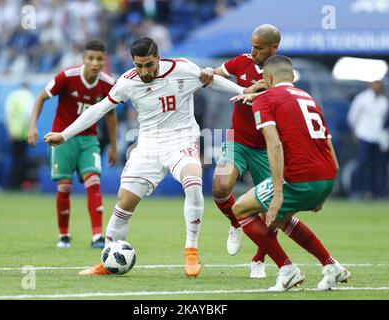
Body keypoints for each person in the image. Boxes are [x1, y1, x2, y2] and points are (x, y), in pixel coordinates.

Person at [44, 37, 251, 277]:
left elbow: (212, 80)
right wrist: (65, 134)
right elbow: (98, 110)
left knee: (193, 182)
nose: (144, 71)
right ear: (133, 62)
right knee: (124, 203)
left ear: (159, 57)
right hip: (148, 146)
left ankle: (191, 251)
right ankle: (110, 260)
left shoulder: (182, 68)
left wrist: (245, 92)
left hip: (182, 140)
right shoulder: (127, 82)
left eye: (149, 65)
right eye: (139, 65)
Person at [230, 55, 350, 291]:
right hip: (326, 178)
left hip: (301, 178)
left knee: (240, 209)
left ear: (267, 78)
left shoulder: (265, 101)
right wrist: (324, 192)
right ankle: (331, 266)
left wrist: (277, 193)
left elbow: (274, 145)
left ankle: (287, 270)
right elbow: (328, 144)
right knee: (281, 218)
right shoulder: (308, 98)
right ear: (293, 76)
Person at [199, 24, 280, 278]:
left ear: (273, 48)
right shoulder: (242, 62)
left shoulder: (282, 73)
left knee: (271, 214)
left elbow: (272, 95)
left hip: (266, 148)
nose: (252, 51)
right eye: (252, 45)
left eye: (258, 47)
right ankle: (236, 222)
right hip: (238, 141)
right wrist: (209, 72)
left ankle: (259, 259)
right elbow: (219, 74)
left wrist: (254, 92)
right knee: (220, 186)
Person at [27, 39, 118, 249]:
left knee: (94, 182)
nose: (95, 63)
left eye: (99, 59)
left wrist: (113, 146)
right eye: (91, 58)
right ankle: (64, 235)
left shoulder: (108, 83)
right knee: (64, 187)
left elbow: (111, 114)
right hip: (62, 139)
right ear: (83, 59)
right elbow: (41, 97)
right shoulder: (66, 77)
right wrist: (33, 126)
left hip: (89, 140)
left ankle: (97, 236)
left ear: (105, 61)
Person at [347, 80, 389, 200]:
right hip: (364, 135)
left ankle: (376, 193)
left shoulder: (384, 101)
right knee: (363, 163)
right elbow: (352, 116)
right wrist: (354, 132)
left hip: (378, 137)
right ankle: (361, 190)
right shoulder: (362, 98)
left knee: (377, 166)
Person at [4, 81, 34, 190]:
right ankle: (18, 184)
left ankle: (12, 183)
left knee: (15, 159)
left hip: (13, 132)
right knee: (21, 159)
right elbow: (29, 115)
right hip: (23, 132)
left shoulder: (12, 96)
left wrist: (9, 131)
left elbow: (7, 114)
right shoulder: (29, 96)